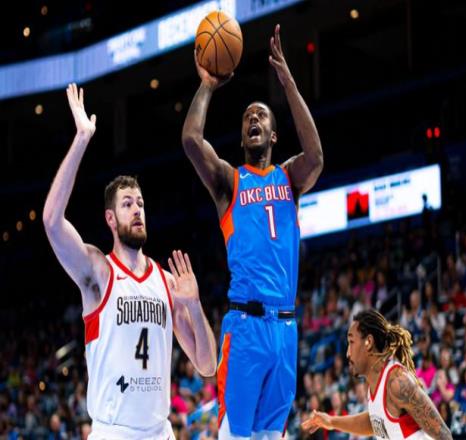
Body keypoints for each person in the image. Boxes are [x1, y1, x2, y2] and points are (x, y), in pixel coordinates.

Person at [43, 83, 217, 439]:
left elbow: (207, 365)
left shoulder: (167, 281)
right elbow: (51, 221)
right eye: (127, 204)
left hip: (160, 432)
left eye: (140, 203)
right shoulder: (98, 272)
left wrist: (194, 306)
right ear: (110, 219)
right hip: (113, 433)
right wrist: (82, 139)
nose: (137, 210)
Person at [182, 24, 323, 439]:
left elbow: (316, 156)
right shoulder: (230, 182)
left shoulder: (289, 178)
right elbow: (191, 140)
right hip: (245, 327)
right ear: (243, 137)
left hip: (286, 330)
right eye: (247, 118)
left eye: (261, 115)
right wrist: (208, 85)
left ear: (274, 134)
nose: (253, 120)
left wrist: (288, 82)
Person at [302, 310, 452, 439]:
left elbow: (444, 434)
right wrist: (331, 421)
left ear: (368, 342)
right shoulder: (374, 382)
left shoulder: (397, 381)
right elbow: (375, 422)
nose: (347, 353)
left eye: (351, 342)